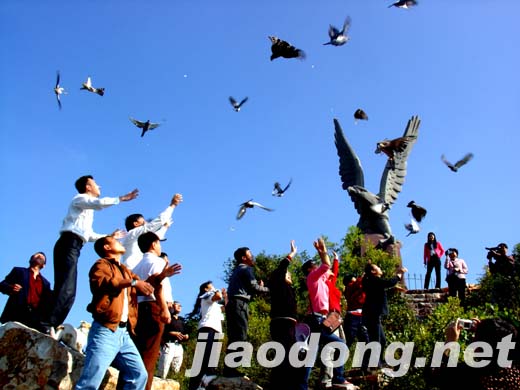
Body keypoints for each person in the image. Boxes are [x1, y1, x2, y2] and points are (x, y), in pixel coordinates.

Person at [75, 235, 179, 389]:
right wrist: (133, 282)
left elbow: (145, 286)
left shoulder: (125, 270)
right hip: (106, 329)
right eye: (116, 241)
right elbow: (103, 283)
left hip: (124, 333)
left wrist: (163, 275)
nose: (120, 243)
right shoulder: (101, 265)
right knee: (91, 381)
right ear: (107, 248)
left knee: (138, 375)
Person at [47, 175, 139, 330]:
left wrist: (109, 236)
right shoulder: (80, 199)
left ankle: (52, 324)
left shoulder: (86, 211)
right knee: (66, 287)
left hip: (75, 245)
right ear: (88, 187)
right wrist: (121, 198)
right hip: (68, 243)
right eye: (96, 184)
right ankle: (47, 323)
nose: (99, 187)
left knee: (70, 290)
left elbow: (89, 235)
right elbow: (98, 203)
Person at [301, 238, 357, 390]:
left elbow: (330, 270)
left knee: (312, 355)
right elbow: (326, 265)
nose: (317, 266)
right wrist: (322, 251)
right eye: (314, 265)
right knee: (340, 344)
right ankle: (338, 378)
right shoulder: (312, 277)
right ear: (309, 269)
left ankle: (302, 386)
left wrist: (333, 259)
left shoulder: (321, 280)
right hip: (317, 320)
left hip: (320, 318)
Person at [131, 231, 182, 390]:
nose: (160, 246)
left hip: (138, 309)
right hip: (154, 308)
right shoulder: (158, 262)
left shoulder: (136, 266)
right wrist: (164, 308)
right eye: (159, 243)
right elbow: (157, 287)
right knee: (150, 357)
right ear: (153, 244)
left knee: (138, 353)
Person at [427, 318, 520, 389]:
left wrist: (449, 341)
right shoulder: (514, 375)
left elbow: (432, 375)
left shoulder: (468, 376)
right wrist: (485, 329)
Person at [223, 246, 269, 378]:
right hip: (240, 305)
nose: (252, 256)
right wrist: (268, 289)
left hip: (233, 305)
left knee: (234, 336)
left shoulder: (237, 271)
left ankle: (229, 369)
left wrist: (258, 287)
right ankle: (232, 369)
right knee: (240, 336)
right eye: (250, 254)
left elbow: (249, 288)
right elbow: (254, 287)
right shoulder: (246, 269)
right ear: (244, 258)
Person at [268, 240, 306, 390]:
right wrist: (292, 254)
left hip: (289, 324)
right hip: (281, 323)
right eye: (287, 274)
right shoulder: (278, 283)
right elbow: (282, 267)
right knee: (286, 354)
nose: (289, 275)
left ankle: (283, 384)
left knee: (288, 355)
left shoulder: (289, 289)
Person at [362, 262, 407, 369]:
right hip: (372, 314)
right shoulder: (373, 280)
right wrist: (398, 275)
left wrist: (394, 288)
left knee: (381, 340)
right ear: (373, 271)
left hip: (373, 314)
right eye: (377, 267)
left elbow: (380, 291)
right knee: (375, 340)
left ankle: (378, 362)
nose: (380, 268)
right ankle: (372, 364)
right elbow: (389, 282)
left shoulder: (372, 282)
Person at [121, 193, 182, 270]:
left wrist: (165, 227)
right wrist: (172, 205)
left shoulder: (138, 238)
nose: (146, 223)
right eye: (144, 222)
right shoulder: (131, 234)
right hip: (132, 272)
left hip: (140, 271)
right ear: (135, 223)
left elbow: (154, 237)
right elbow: (151, 226)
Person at [187, 281, 226, 390]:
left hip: (216, 330)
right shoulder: (206, 296)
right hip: (207, 329)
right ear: (205, 289)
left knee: (211, 361)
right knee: (202, 359)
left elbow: (226, 306)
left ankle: (205, 385)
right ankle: (195, 386)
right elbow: (217, 296)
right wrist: (217, 291)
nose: (214, 288)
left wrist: (225, 296)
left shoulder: (215, 304)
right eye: (211, 287)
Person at [0, 252, 52, 332]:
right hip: (16, 314)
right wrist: (10, 288)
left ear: (44, 265)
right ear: (31, 260)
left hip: (34, 320)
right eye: (37, 255)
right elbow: (2, 285)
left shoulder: (46, 283)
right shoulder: (19, 271)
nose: (39, 256)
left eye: (42, 257)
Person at [157, 301, 189, 379]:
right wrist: (172, 333)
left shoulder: (182, 320)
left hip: (179, 346)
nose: (179, 306)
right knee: (164, 368)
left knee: (176, 369)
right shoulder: (167, 318)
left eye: (180, 305)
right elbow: (161, 331)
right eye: (177, 304)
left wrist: (186, 336)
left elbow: (187, 332)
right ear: (172, 307)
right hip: (169, 344)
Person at [342, 274, 368, 349]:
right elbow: (359, 283)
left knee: (365, 340)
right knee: (348, 340)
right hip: (353, 317)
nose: (356, 278)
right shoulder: (349, 287)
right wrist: (364, 275)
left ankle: (365, 360)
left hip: (360, 316)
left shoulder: (357, 287)